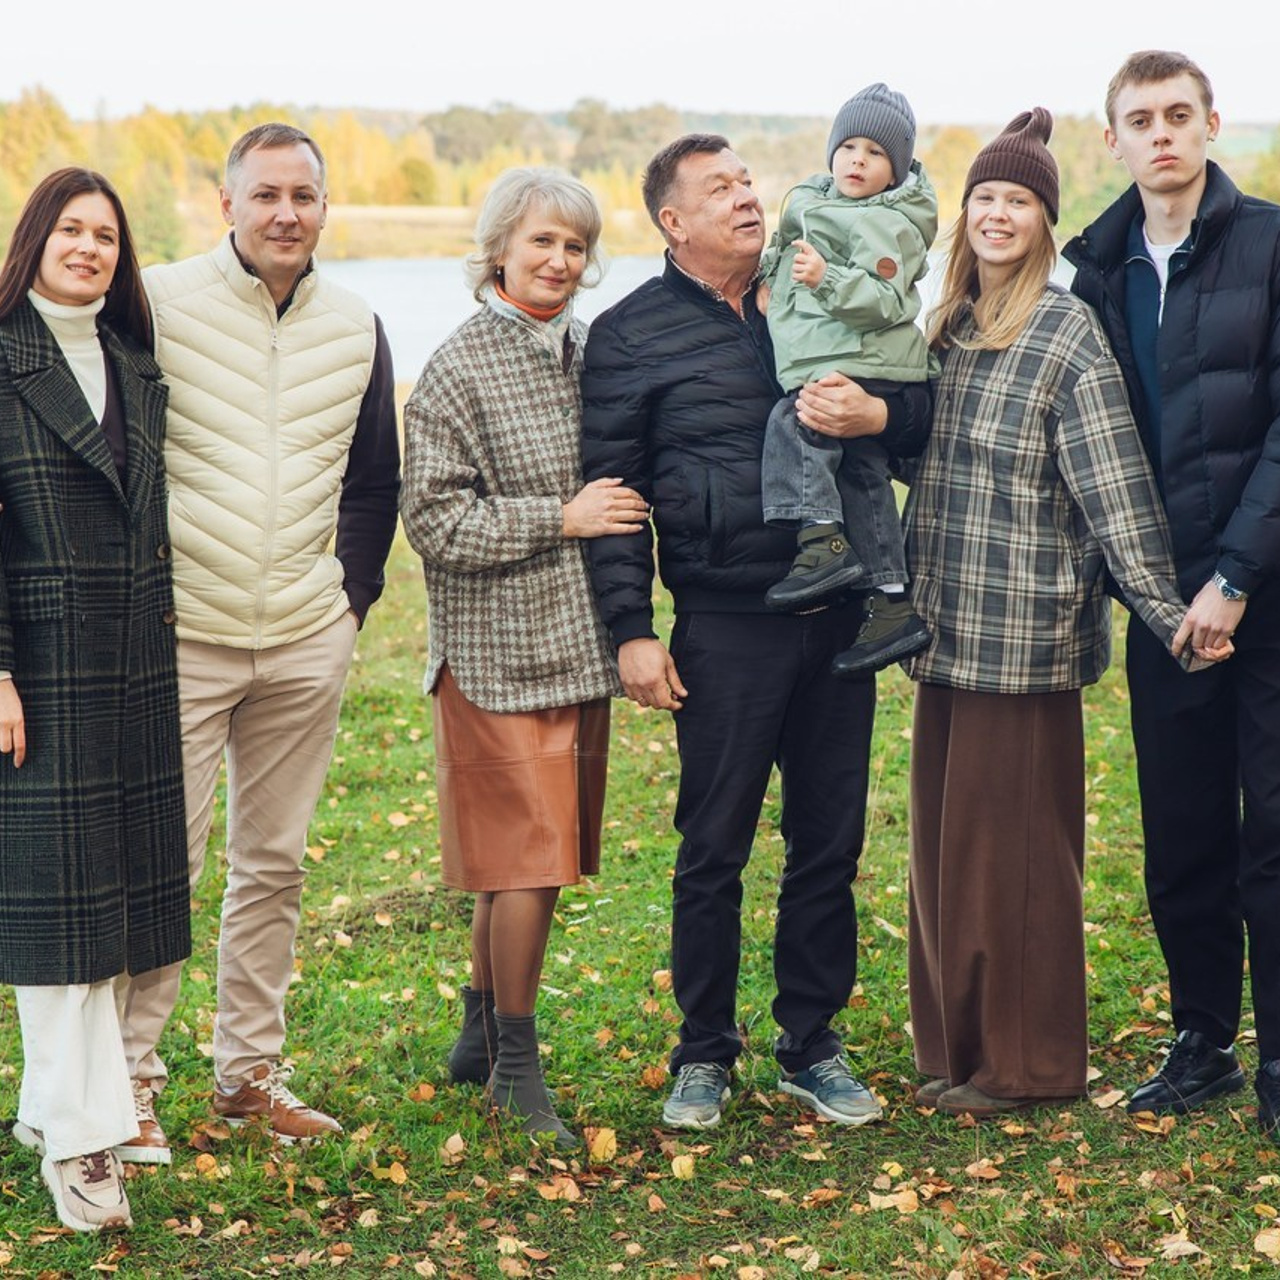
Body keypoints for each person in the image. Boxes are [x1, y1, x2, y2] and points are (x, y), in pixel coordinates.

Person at [582, 134, 931, 1130]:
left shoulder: (808, 286)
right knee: (712, 845)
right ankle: (702, 1050)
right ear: (671, 220)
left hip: (839, 617)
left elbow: (911, 411)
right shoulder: (630, 334)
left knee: (828, 842)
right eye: (718, 189)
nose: (745, 198)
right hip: (723, 621)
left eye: (746, 180)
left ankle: (810, 1043)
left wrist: (877, 414)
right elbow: (613, 493)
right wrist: (630, 630)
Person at [904, 109, 1218, 1119]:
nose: (998, 214)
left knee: (1017, 864)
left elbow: (1114, 491)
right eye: (984, 197)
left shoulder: (1064, 330)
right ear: (964, 214)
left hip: (1026, 633)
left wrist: (1172, 614)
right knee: (944, 855)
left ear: (1045, 221)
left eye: (1020, 201)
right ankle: (956, 1045)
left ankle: (1029, 1063)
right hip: (946, 626)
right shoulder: (947, 323)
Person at [118, 123, 401, 1150]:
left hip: (301, 635)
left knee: (273, 864)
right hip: (179, 633)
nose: (288, 212)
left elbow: (375, 481)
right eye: (267, 194)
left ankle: (246, 1075)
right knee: (163, 866)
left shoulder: (359, 321)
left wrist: (350, 599)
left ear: (326, 207)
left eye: (306, 195)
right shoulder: (155, 302)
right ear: (226, 203)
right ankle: (129, 1083)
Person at [400, 168, 644, 1149]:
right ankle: (516, 1062)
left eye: (575, 246)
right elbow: (432, 518)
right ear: (499, 244)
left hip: (577, 642)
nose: (557, 261)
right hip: (494, 651)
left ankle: (473, 1032)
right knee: (530, 860)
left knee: (519, 860)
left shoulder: (593, 350)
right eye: (541, 241)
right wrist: (562, 516)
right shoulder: (457, 365)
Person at [1065, 51, 1280, 1141]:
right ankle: (1203, 1043)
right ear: (1111, 140)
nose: (1159, 135)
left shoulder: (1271, 242)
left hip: (1265, 589)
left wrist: (1236, 575)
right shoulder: (1095, 268)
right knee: (1181, 833)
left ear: (1207, 125)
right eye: (1138, 120)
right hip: (1162, 607)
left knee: (1271, 829)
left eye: (1176, 116)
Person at [0, 168, 190, 1231]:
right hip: (39, 666)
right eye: (70, 229)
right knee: (61, 916)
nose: (88, 248)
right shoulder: (0, 358)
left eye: (106, 235)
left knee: (108, 910)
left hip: (133, 666)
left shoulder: (130, 362)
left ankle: (49, 1109)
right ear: (34, 240)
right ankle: (83, 1145)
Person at [758, 82, 937, 674]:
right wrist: (771, 279)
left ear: (896, 171)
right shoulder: (814, 201)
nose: (859, 160)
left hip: (866, 359)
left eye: (877, 153)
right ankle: (891, 603)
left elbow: (888, 299)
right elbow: (786, 247)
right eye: (850, 147)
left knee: (796, 420)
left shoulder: (887, 222)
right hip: (844, 354)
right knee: (861, 469)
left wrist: (824, 278)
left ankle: (820, 541)